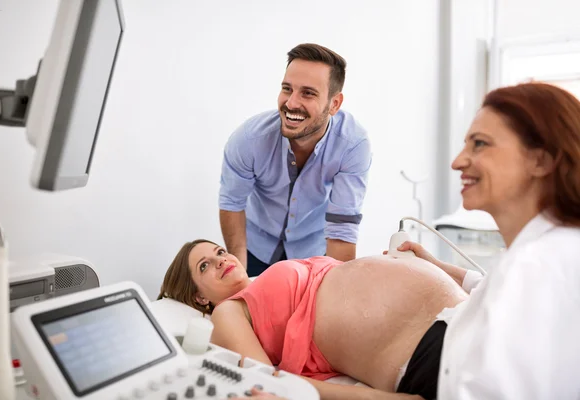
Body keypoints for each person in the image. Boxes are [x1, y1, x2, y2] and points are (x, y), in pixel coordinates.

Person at [395, 82, 580, 399]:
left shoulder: (535, 266)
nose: (457, 162)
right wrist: (436, 265)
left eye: (479, 144)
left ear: (541, 160)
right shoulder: (549, 252)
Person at [158, 239, 470, 400]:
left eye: (220, 252)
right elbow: (273, 384)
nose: (221, 260)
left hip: (465, 314)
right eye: (204, 266)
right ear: (199, 297)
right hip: (426, 350)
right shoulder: (229, 312)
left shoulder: (265, 279)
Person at [218, 43, 372, 276]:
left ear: (334, 104)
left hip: (311, 256)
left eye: (308, 93)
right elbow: (232, 204)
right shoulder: (249, 139)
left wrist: (338, 297)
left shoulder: (352, 145)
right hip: (254, 249)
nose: (291, 103)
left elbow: (342, 230)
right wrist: (239, 277)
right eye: (287, 89)